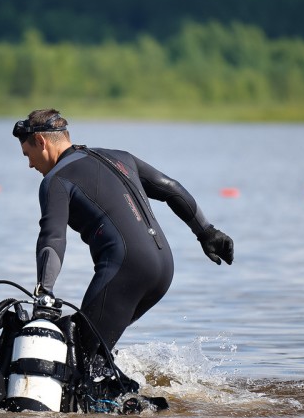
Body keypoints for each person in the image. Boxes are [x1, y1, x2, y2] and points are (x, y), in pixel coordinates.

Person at [13, 108, 234, 370]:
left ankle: (118, 401)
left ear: (41, 141)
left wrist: (45, 293)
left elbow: (53, 238)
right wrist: (207, 232)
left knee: (79, 359)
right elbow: (171, 188)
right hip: (163, 267)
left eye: (28, 155)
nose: (30, 165)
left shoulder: (56, 180)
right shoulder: (119, 157)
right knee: (94, 354)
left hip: (126, 267)